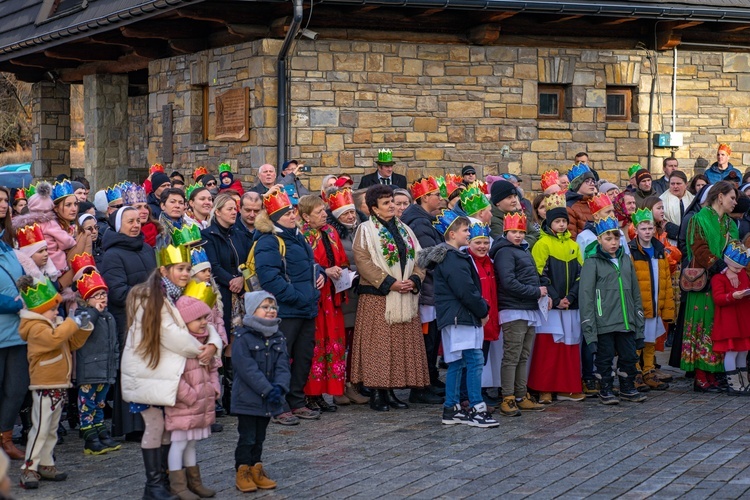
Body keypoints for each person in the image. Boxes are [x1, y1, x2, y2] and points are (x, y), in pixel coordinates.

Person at [121, 246, 221, 500]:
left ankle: (165, 482)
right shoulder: (149, 296)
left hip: (169, 376)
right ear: (164, 270)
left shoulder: (181, 295)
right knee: (154, 427)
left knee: (166, 429)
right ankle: (154, 486)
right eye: (180, 269)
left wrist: (212, 344)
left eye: (188, 269)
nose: (186, 273)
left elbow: (205, 325)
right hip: (150, 373)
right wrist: (203, 351)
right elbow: (172, 335)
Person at [350, 185, 429, 411]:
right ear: (374, 208)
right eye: (386, 203)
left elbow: (420, 257)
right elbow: (363, 261)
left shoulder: (405, 230)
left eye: (392, 201)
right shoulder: (365, 230)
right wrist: (389, 282)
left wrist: (415, 278)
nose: (392, 205)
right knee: (379, 346)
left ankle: (392, 391)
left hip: (404, 295)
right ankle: (377, 392)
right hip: (379, 297)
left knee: (398, 346)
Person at [419, 213, 496, 428]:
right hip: (461, 316)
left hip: (456, 316)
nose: (469, 233)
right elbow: (466, 290)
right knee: (474, 360)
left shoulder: (452, 257)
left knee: (458, 362)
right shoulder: (453, 258)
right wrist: (482, 309)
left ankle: (451, 407)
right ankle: (476, 407)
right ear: (452, 234)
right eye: (465, 230)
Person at [254, 189, 324, 424]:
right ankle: (278, 404)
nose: (292, 215)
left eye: (292, 211)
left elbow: (310, 264)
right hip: (287, 308)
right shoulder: (269, 240)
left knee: (303, 357)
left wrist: (320, 272)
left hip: (305, 306)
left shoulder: (298, 235)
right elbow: (269, 277)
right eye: (285, 213)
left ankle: (296, 400)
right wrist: (295, 296)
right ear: (274, 217)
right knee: (280, 359)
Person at [17, 276, 93, 489]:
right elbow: (54, 339)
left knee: (51, 428)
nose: (55, 313)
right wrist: (71, 323)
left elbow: (73, 342)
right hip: (44, 384)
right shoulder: (35, 327)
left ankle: (47, 463)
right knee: (40, 427)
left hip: (59, 382)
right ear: (40, 310)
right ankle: (29, 468)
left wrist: (83, 326)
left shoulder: (56, 324)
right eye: (52, 309)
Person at [99, 206, 157, 438]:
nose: (135, 225)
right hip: (128, 319)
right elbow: (117, 292)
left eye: (137, 221)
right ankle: (132, 426)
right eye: (129, 221)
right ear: (118, 225)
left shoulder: (146, 248)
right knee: (132, 372)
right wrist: (149, 293)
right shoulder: (112, 254)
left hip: (151, 316)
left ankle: (151, 420)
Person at [579, 215, 646, 405]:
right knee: (604, 357)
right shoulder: (592, 263)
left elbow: (635, 293)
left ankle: (627, 386)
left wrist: (638, 325)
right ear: (599, 240)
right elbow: (587, 297)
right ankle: (606, 388)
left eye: (616, 238)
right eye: (608, 239)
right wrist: (590, 331)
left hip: (626, 321)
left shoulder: (625, 260)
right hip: (604, 321)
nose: (613, 243)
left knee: (628, 356)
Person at [682, 181, 738, 391]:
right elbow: (699, 249)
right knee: (702, 326)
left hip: (723, 282)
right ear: (720, 196)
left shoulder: (730, 224)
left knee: (717, 327)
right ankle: (700, 375)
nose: (734, 202)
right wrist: (723, 267)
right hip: (704, 283)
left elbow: (735, 249)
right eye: (732, 198)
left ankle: (714, 373)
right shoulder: (699, 219)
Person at [529, 194, 585, 404]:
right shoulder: (542, 244)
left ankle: (567, 387)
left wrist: (570, 297)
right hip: (551, 306)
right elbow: (539, 274)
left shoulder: (574, 245)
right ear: (549, 223)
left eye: (564, 221)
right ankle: (544, 388)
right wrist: (556, 297)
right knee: (549, 347)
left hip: (570, 305)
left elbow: (581, 273)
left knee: (569, 347)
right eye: (558, 221)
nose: (562, 225)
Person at [489, 213, 546, 416]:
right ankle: (508, 396)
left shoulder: (522, 250)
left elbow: (532, 275)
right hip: (514, 309)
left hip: (527, 308)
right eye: (514, 231)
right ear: (505, 232)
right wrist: (535, 292)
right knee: (512, 356)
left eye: (521, 232)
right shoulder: (505, 253)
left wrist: (543, 286)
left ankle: (521, 394)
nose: (519, 235)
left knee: (523, 355)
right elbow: (508, 282)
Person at [232, 291, 289, 493]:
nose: (270, 311)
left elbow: (283, 366)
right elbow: (246, 369)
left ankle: (257, 467)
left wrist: (280, 387)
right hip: (248, 399)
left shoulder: (278, 336)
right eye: (265, 307)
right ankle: (243, 470)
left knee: (260, 437)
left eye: (273, 307)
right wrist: (267, 389)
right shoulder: (242, 337)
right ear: (252, 310)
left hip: (268, 399)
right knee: (247, 436)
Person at [297, 195, 349, 411]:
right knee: (316, 344)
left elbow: (341, 257)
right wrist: (324, 271)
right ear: (306, 216)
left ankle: (324, 393)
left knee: (332, 344)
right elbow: (304, 265)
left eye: (324, 210)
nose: (324, 214)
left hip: (332, 296)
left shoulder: (331, 232)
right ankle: (310, 393)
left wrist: (339, 269)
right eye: (318, 212)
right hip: (317, 296)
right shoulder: (304, 236)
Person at [167, 292, 221, 499]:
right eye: (197, 319)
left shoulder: (205, 342)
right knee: (179, 443)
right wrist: (190, 396)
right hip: (185, 405)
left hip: (199, 404)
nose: (203, 323)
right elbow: (173, 375)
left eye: (204, 318)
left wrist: (214, 388)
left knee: (191, 443)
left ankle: (194, 482)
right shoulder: (181, 345)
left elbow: (213, 368)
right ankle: (178, 485)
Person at [400, 178, 446, 404]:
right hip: (428, 289)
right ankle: (421, 385)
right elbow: (429, 256)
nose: (441, 199)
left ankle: (430, 378)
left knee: (432, 339)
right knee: (427, 340)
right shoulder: (419, 223)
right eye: (437, 194)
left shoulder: (425, 220)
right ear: (425, 197)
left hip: (431, 289)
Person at [324, 188, 369, 405]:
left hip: (360, 292)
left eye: (352, 212)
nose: (351, 217)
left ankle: (352, 383)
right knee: (341, 343)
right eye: (345, 214)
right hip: (343, 293)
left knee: (355, 342)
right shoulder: (333, 235)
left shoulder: (362, 230)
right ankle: (338, 386)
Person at [73, 270, 121, 455]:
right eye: (96, 295)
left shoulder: (109, 317)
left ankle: (101, 432)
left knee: (100, 404)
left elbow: (114, 344)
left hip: (105, 370)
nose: (102, 298)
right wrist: (94, 311)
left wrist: (114, 365)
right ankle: (89, 437)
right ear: (86, 300)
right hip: (89, 369)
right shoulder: (83, 314)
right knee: (87, 404)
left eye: (104, 294)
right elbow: (83, 327)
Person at [628, 208, 675, 391]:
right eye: (643, 229)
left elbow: (665, 281)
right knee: (637, 342)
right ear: (636, 230)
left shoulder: (660, 250)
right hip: (641, 305)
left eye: (650, 228)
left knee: (650, 341)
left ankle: (648, 370)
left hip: (655, 304)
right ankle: (636, 372)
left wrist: (667, 307)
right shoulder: (632, 251)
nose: (647, 232)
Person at [0, 187, 27, 462]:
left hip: (17, 332)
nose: (3, 204)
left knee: (17, 387)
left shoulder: (7, 244)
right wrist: (15, 304)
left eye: (5, 200)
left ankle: (5, 437)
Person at [201, 193, 251, 339]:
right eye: (229, 209)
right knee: (226, 338)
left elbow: (249, 262)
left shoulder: (240, 235)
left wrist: (242, 278)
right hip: (222, 292)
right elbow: (213, 266)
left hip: (243, 291)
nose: (234, 212)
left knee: (242, 338)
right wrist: (232, 281)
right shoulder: (207, 235)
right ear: (217, 212)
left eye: (235, 209)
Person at [711, 242, 750, 395]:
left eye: (741, 268)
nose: (739, 271)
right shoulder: (718, 278)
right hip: (729, 321)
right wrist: (732, 296)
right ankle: (733, 384)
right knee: (731, 351)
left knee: (743, 351)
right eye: (735, 268)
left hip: (743, 319)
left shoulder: (742, 274)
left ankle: (744, 381)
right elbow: (718, 299)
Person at [489, 180, 539, 247]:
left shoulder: (518, 214)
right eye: (509, 197)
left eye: (515, 196)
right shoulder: (492, 220)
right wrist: (525, 241)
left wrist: (523, 242)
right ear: (497, 202)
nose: (514, 200)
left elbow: (535, 234)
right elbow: (507, 243)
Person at [660, 170, 694, 244]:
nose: (675, 186)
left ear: (686, 184)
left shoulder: (693, 200)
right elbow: (661, 223)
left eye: (678, 183)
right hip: (669, 243)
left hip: (690, 242)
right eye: (672, 184)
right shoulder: (661, 200)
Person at [565, 163, 597, 239]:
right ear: (577, 184)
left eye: (593, 180)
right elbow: (572, 237)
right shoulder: (569, 207)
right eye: (587, 180)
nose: (592, 183)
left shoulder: (596, 203)